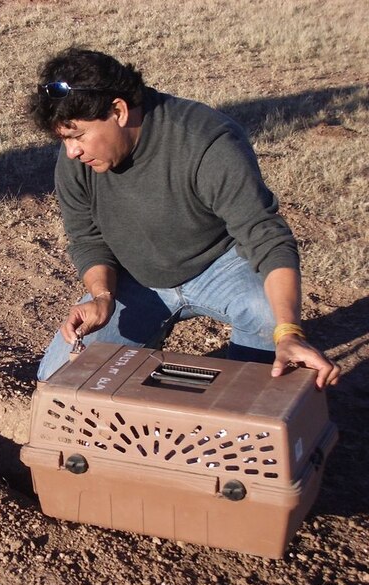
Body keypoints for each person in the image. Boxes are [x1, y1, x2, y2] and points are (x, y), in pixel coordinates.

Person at [29, 47, 339, 390]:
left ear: (118, 110)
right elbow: (87, 239)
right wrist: (103, 297)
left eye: (78, 136)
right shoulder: (76, 159)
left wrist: (288, 331)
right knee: (58, 380)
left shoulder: (205, 140)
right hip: (137, 279)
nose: (72, 151)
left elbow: (265, 236)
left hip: (219, 266)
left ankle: (244, 398)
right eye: (65, 140)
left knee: (265, 320)